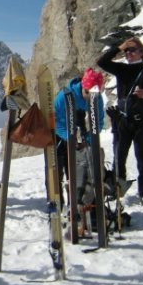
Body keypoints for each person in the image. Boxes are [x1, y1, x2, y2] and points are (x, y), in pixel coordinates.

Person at [97, 37, 143, 202]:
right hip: (123, 120)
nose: (128, 53)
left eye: (132, 50)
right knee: (119, 158)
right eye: (127, 51)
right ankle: (117, 190)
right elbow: (102, 62)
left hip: (141, 121)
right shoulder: (122, 70)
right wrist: (119, 47)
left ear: (141, 52)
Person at [53, 68, 104, 207]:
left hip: (77, 127)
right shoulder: (65, 96)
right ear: (83, 86)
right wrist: (67, 137)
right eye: (88, 92)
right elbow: (53, 119)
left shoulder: (96, 98)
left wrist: (86, 140)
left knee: (77, 168)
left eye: (95, 93)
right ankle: (56, 203)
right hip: (60, 130)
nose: (91, 97)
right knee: (57, 167)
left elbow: (98, 122)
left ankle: (75, 203)